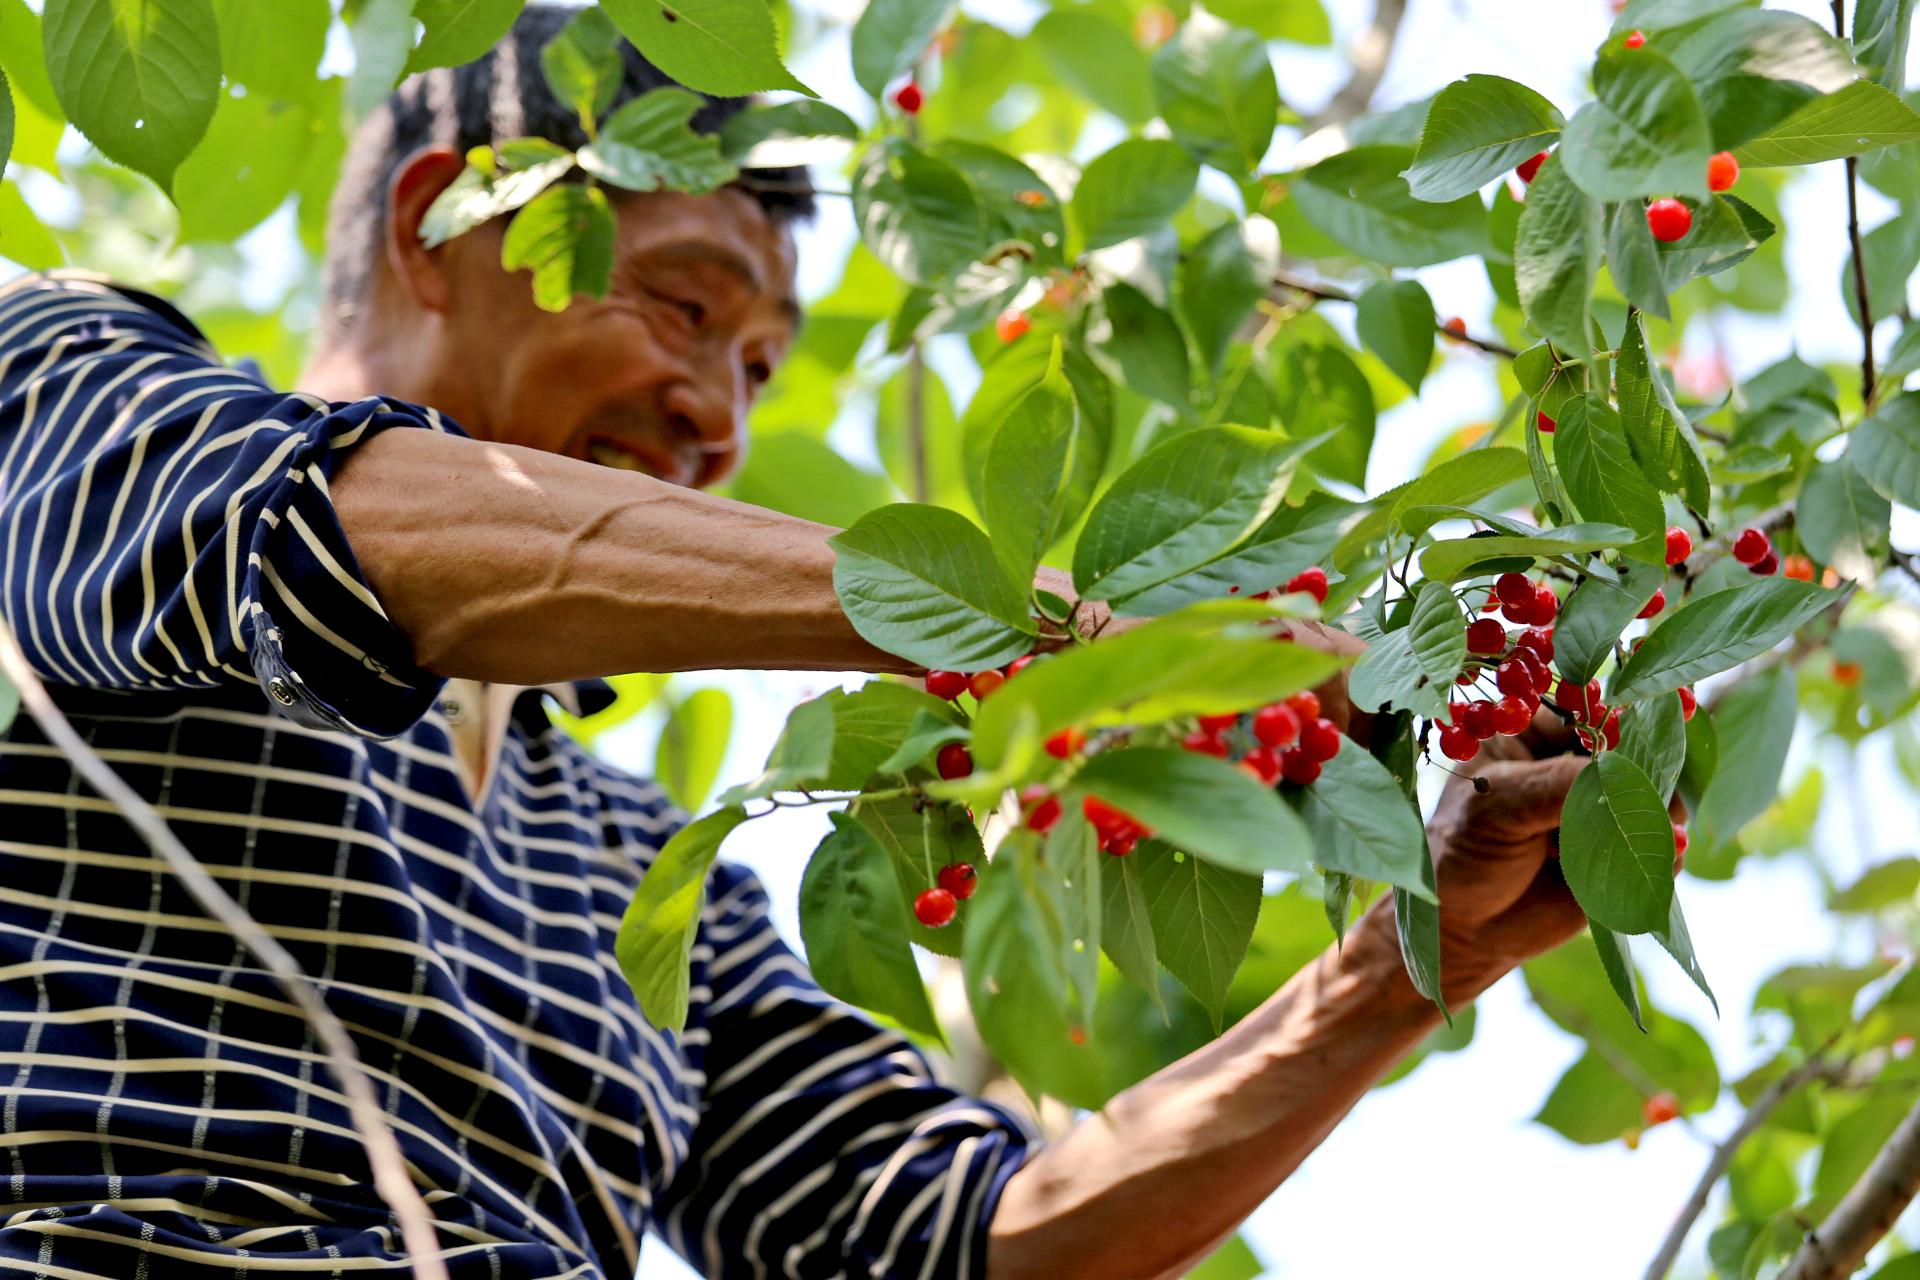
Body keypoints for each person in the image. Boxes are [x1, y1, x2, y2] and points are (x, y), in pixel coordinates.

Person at [0, 7, 1595, 1278]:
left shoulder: (642, 872)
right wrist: (1036, 637)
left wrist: (1402, 967)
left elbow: (953, 1240)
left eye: (764, 371)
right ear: (447, 223)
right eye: (686, 311)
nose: (717, 418)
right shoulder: (69, 377)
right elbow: (297, 533)